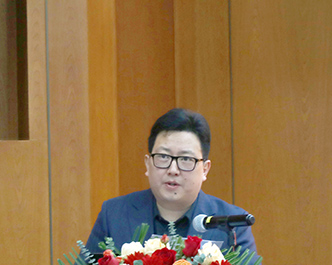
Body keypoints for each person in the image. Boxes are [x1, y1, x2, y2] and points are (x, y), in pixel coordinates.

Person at [85, 108, 256, 255]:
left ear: (205, 169)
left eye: (186, 159)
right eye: (163, 156)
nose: (173, 169)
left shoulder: (233, 224)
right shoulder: (113, 215)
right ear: (148, 163)